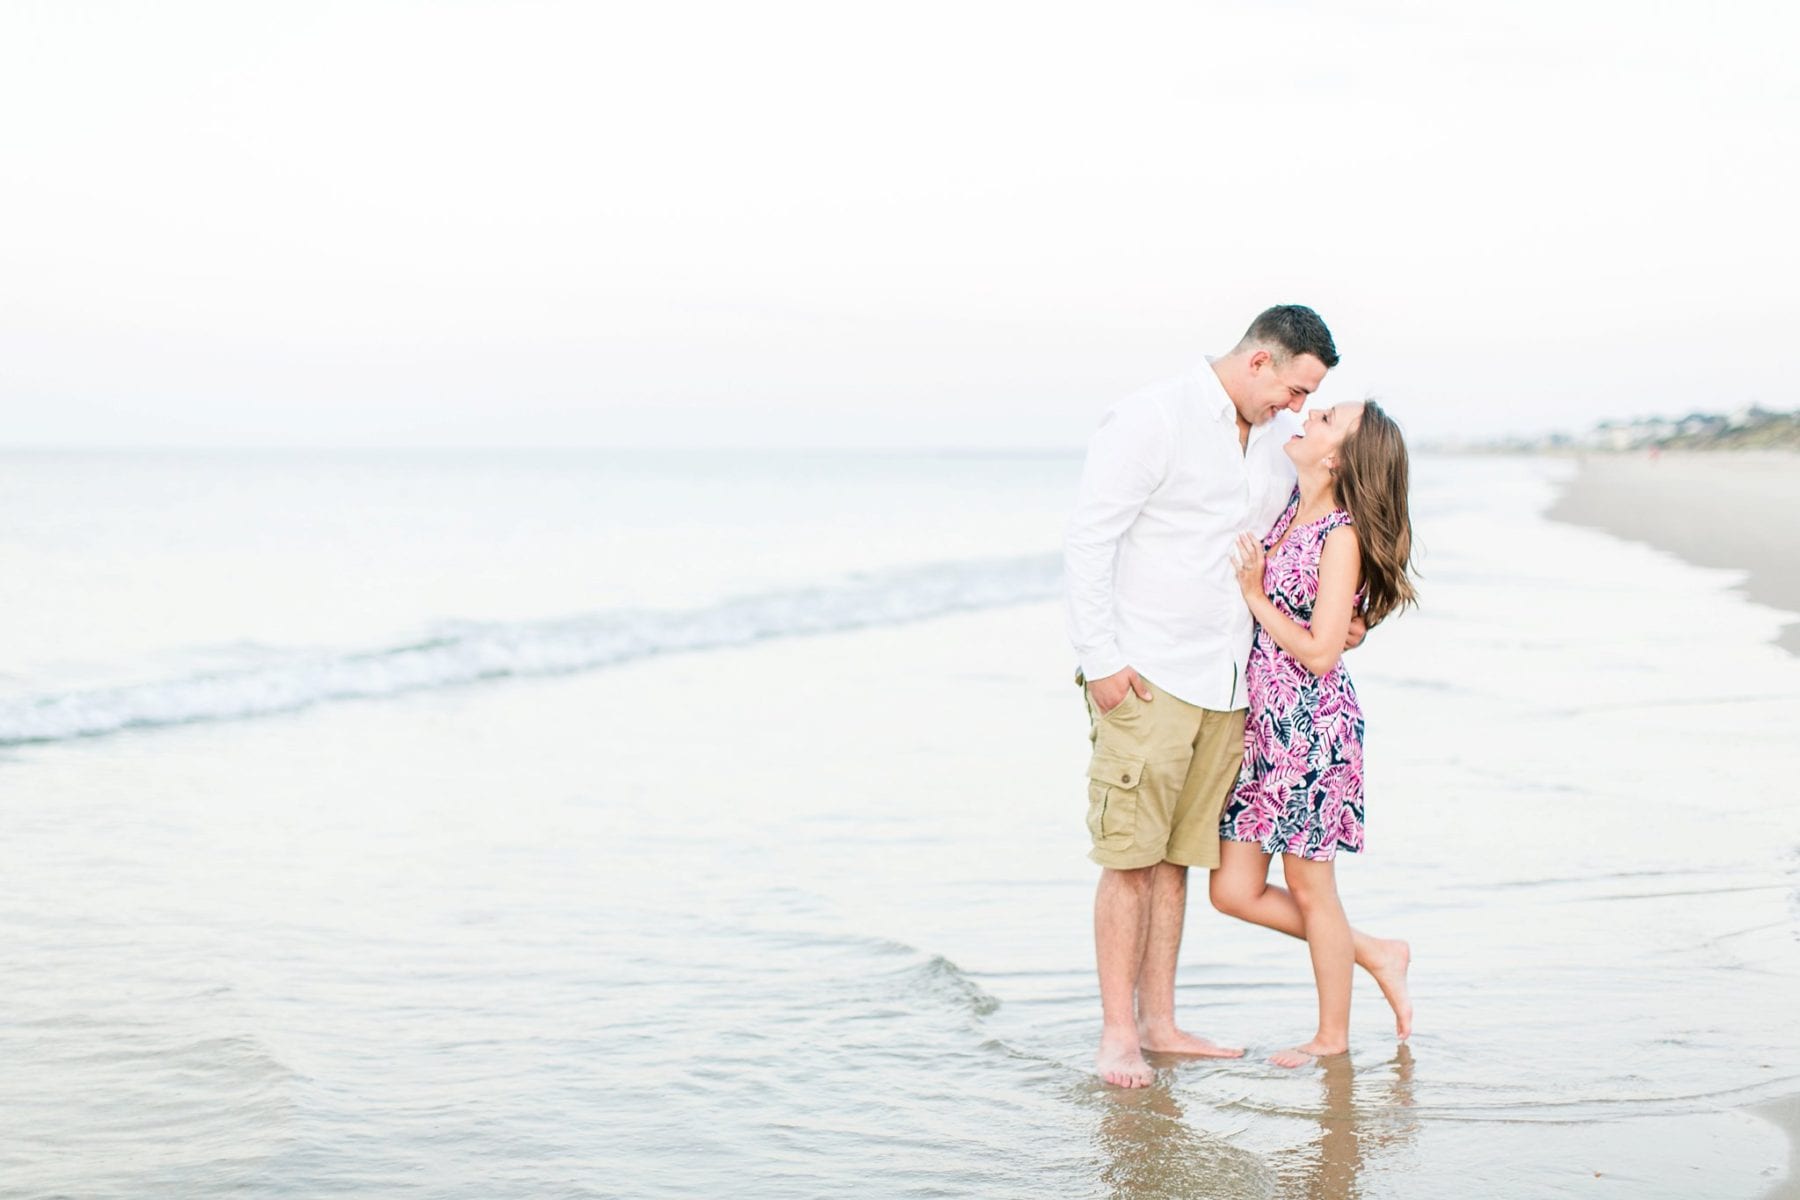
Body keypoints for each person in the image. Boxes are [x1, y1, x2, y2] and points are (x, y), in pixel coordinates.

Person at [1066, 305, 1359, 1089]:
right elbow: (1092, 537)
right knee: (1129, 859)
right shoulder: (1153, 417)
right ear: (1260, 362)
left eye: (1310, 397)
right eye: (1295, 388)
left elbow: (1297, 541)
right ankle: (1118, 1035)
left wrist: (1342, 617)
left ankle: (1161, 1023)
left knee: (1176, 863)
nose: (1297, 407)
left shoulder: (1271, 444)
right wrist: (1102, 662)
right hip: (1147, 674)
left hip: (1230, 685)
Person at [1213, 398, 1417, 1068]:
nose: (1312, 417)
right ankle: (1375, 951)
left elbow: (1323, 651)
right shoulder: (1286, 511)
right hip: (1263, 729)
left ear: (1337, 458)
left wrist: (1254, 597)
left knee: (1311, 888)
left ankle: (1333, 1038)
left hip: (1311, 727)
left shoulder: (1340, 535)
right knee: (1231, 891)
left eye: (1327, 420)